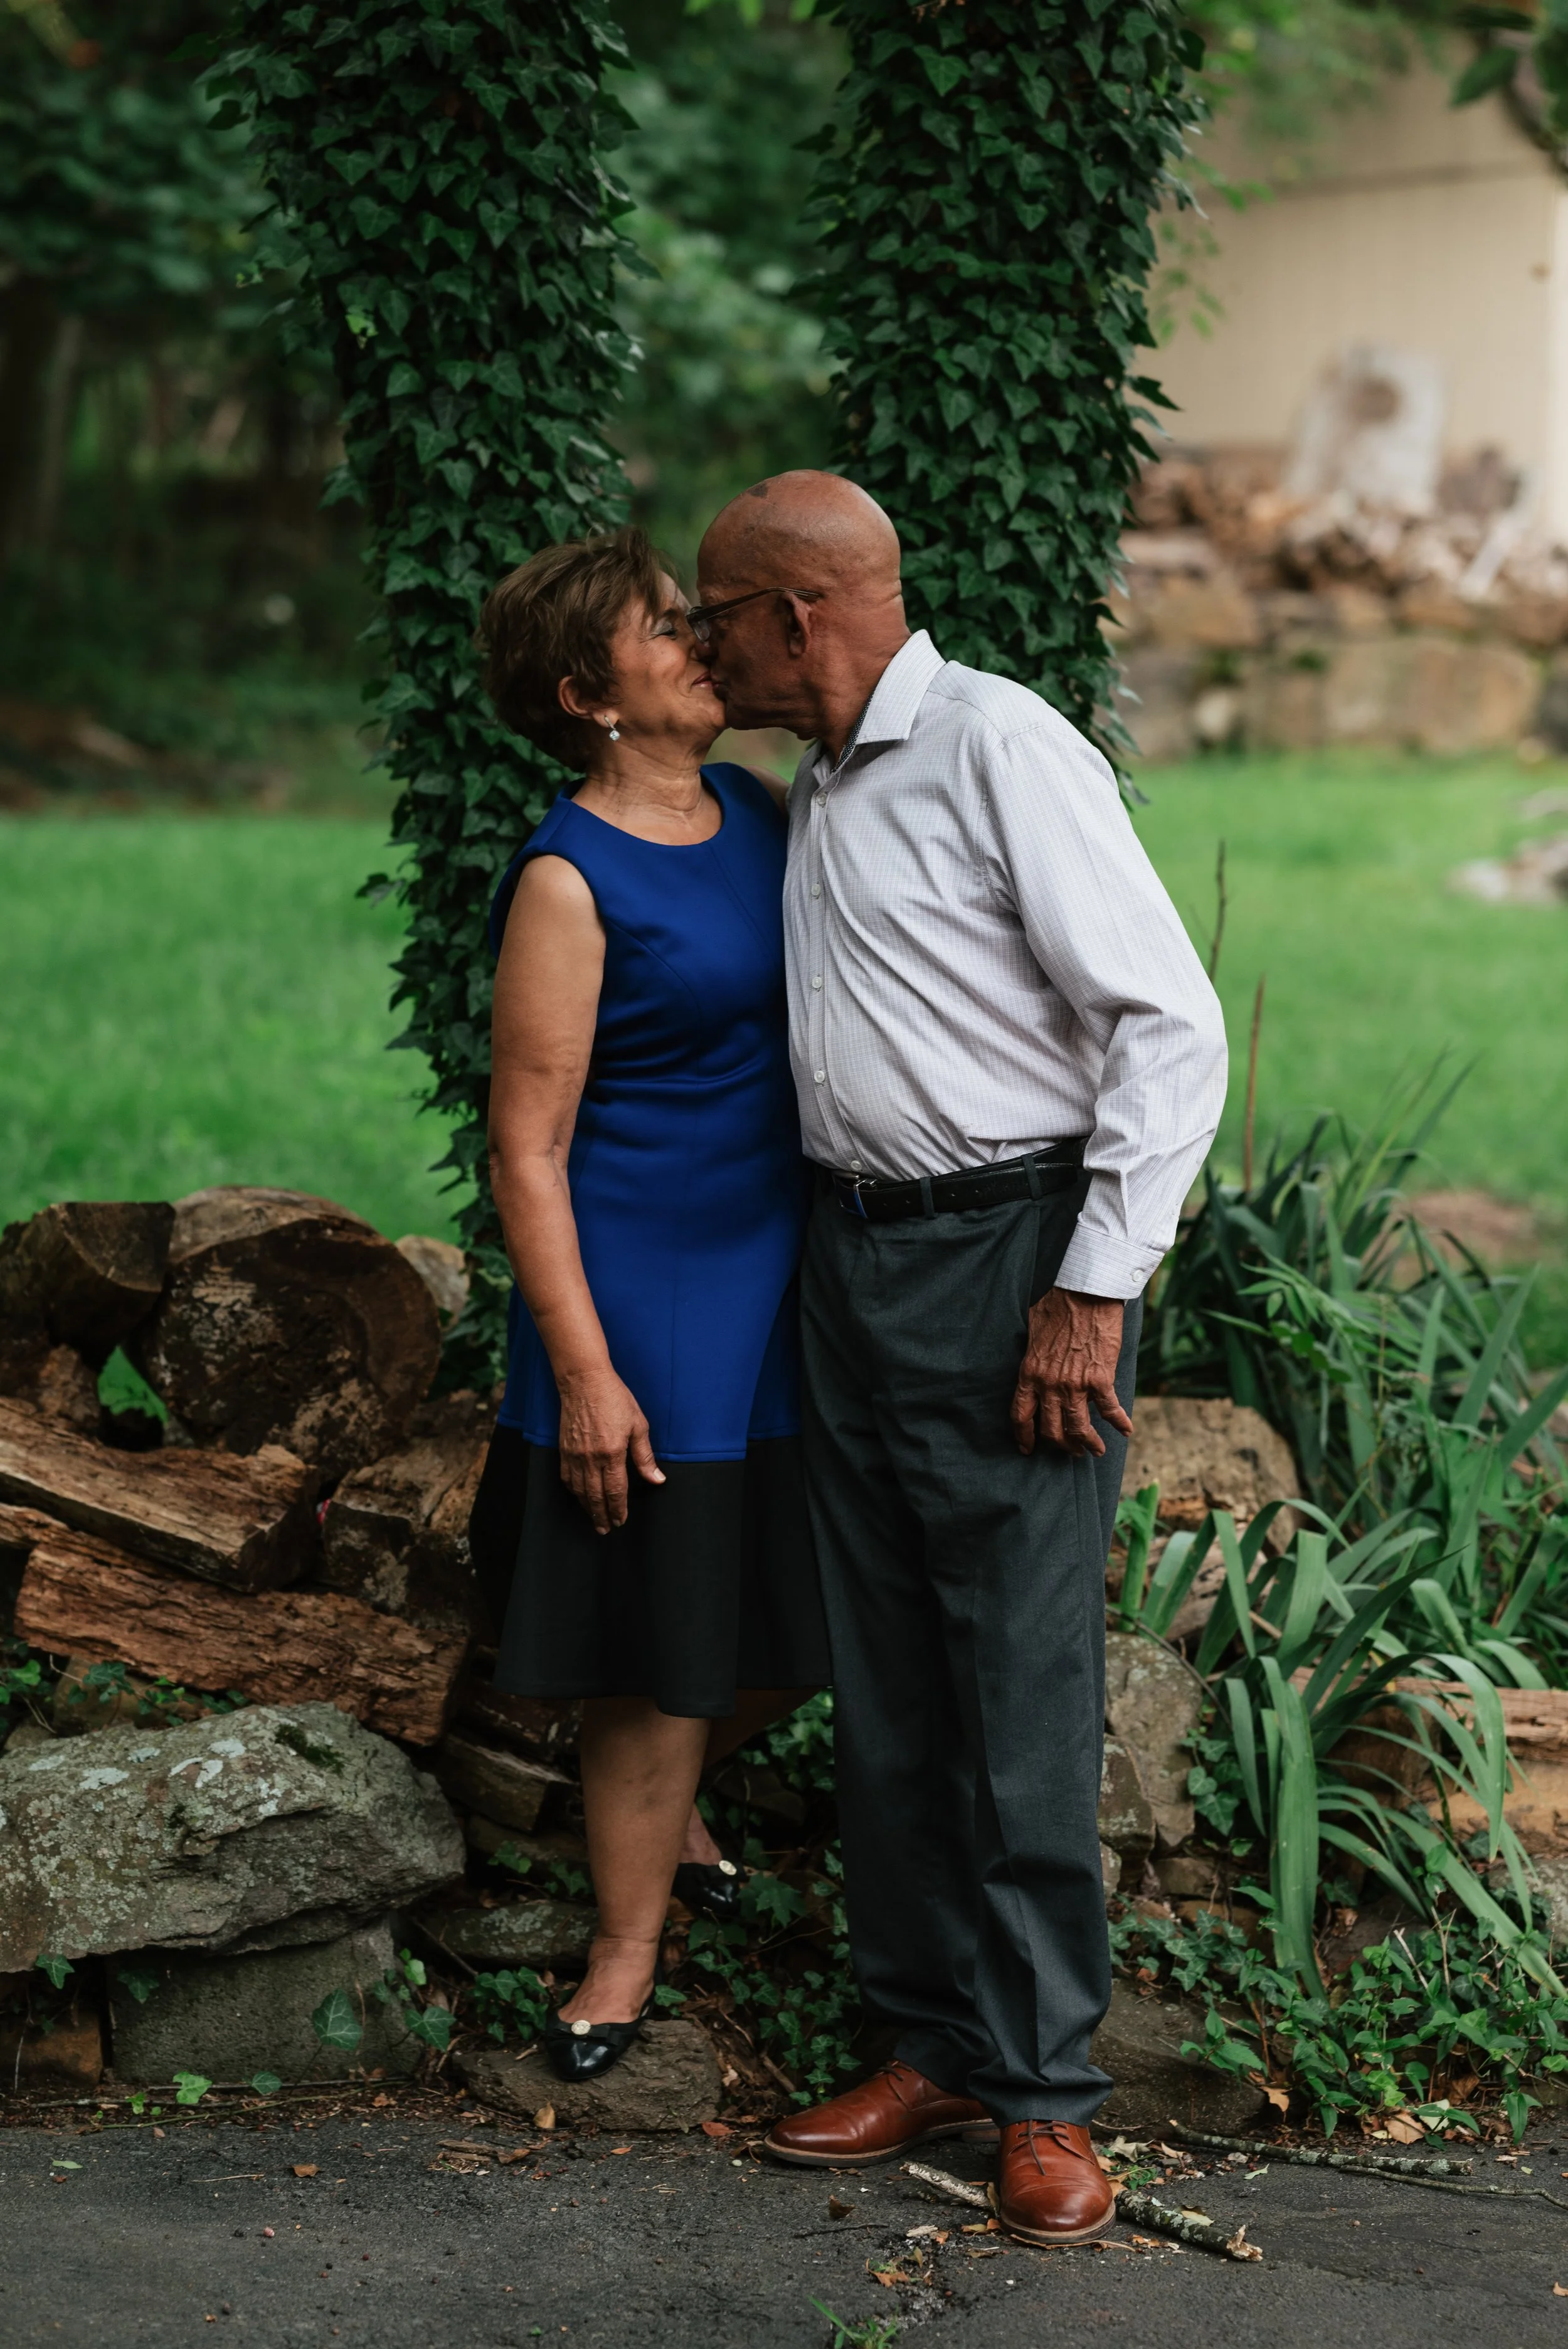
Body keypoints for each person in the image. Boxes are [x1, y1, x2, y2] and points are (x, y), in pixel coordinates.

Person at [689, 472, 1227, 2242]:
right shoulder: (818, 785)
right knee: (893, 1682)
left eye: (715, 612)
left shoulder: (1000, 746)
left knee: (1013, 1682)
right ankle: (926, 2040)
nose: (698, 641)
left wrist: (1091, 1285)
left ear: (794, 618)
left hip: (1013, 1264)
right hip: (850, 1263)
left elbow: (1165, 1025)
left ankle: (1047, 2097)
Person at [467, 525, 829, 2084]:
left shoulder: (760, 810)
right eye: (658, 626)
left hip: (786, 1277)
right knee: (649, 1647)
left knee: (796, 1620)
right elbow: (527, 1150)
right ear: (583, 695)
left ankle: (669, 1789)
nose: (696, 637)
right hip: (645, 1294)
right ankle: (620, 1961)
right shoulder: (567, 874)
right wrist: (585, 1371)